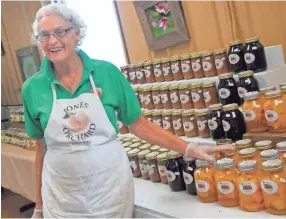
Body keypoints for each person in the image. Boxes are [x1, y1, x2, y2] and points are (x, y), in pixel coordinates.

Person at [23, 3, 233, 218]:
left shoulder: (107, 73)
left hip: (109, 191)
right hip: (62, 197)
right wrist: (39, 206)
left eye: (60, 31)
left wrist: (189, 148)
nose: (53, 41)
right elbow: (42, 149)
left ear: (77, 33)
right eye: (44, 35)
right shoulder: (32, 88)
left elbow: (139, 125)